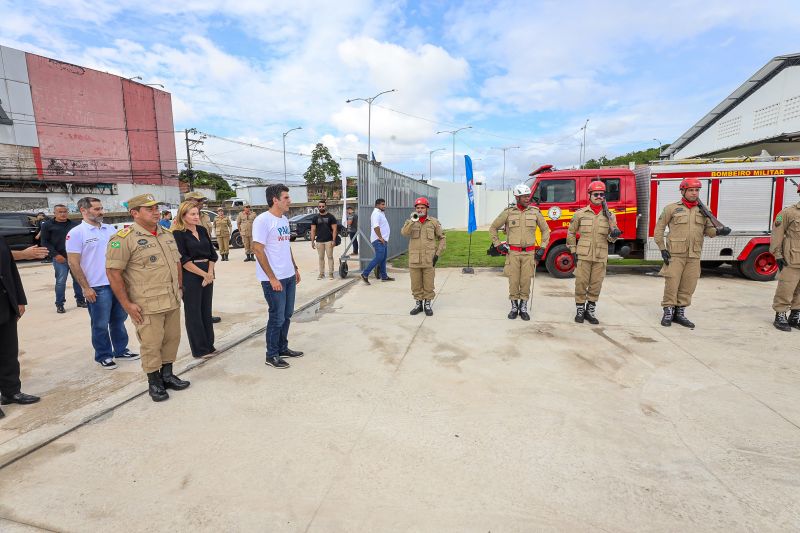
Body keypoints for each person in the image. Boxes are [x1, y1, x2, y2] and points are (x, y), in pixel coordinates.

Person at [106, 194, 189, 402]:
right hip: (147, 304)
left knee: (172, 339)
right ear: (134, 213)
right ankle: (154, 382)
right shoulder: (124, 239)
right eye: (149, 209)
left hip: (171, 298)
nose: (156, 212)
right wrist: (127, 304)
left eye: (156, 208)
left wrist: (179, 287)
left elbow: (177, 262)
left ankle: (167, 375)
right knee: (151, 344)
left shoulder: (166, 233)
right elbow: (113, 273)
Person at [66, 197, 139, 369]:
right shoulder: (76, 233)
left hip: (116, 283)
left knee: (119, 320)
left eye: (101, 208)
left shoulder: (110, 229)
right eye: (97, 209)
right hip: (97, 286)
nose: (101, 212)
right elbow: (73, 263)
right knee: (100, 324)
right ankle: (103, 355)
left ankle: (121, 350)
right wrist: (86, 288)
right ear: (83, 210)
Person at [654, 178, 731, 328]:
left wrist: (719, 232)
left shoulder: (704, 211)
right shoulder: (671, 208)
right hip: (675, 254)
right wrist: (662, 249)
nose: (694, 193)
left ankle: (680, 313)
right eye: (690, 190)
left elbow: (709, 230)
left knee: (689, 285)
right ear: (683, 191)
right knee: (672, 283)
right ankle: (668, 311)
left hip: (694, 255)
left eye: (697, 190)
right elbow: (659, 229)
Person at [252, 184, 303, 369]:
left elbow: (286, 246)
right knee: (277, 317)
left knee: (287, 315)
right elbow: (258, 250)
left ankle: (282, 348)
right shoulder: (262, 220)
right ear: (275, 200)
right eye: (286, 198)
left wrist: (294, 268)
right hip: (273, 279)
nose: (289, 201)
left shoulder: (284, 219)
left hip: (288, 275)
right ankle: (271, 355)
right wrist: (272, 278)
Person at [489, 183, 551, 321]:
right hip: (513, 254)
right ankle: (514, 307)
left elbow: (546, 230)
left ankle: (523, 307)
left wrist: (542, 247)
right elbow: (493, 228)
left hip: (529, 254)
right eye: (524, 196)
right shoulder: (508, 212)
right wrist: (498, 245)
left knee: (526, 281)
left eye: (528, 196)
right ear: (517, 197)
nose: (527, 198)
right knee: (513, 281)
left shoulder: (535, 212)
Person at [0, 240, 46, 418]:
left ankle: (11, 392)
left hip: (5, 304)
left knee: (9, 352)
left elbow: (11, 269)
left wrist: (19, 299)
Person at [566, 181, 622, 324]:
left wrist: (614, 235)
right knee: (581, 283)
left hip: (600, 255)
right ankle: (580, 310)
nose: (599, 197)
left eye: (602, 194)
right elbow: (571, 233)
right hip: (583, 255)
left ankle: (590, 311)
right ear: (589, 195)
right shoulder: (580, 214)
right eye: (596, 194)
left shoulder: (610, 216)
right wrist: (573, 250)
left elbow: (611, 238)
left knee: (596, 284)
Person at [172, 201, 218, 358]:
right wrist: (204, 274)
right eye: (192, 214)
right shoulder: (178, 234)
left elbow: (212, 254)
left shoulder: (202, 230)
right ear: (183, 215)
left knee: (206, 310)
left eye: (197, 214)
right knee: (194, 313)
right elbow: (183, 259)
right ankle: (200, 349)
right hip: (191, 275)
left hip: (208, 272)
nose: (196, 217)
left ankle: (209, 345)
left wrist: (209, 273)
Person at [400, 197, 446, 316]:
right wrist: (412, 221)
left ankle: (427, 304)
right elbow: (404, 233)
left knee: (429, 283)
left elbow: (442, 238)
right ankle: (418, 304)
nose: (420, 210)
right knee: (415, 284)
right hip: (414, 260)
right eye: (418, 208)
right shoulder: (410, 221)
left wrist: (437, 254)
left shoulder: (433, 222)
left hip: (429, 259)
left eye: (422, 207)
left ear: (427, 209)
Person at [40, 204, 86, 313]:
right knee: (61, 282)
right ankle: (59, 304)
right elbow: (44, 242)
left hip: (75, 258)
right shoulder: (47, 225)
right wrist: (56, 255)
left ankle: (80, 300)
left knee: (78, 280)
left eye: (65, 211)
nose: (63, 214)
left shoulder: (75, 225)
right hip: (60, 258)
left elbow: (81, 239)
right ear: (54, 213)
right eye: (60, 212)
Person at [184, 192, 222, 323]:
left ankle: (207, 315)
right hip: (191, 268)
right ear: (189, 200)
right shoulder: (181, 219)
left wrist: (209, 272)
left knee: (206, 299)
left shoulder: (204, 215)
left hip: (206, 259)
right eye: (198, 200)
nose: (201, 203)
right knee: (194, 305)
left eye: (202, 200)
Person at [770, 181, 800, 331]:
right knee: (786, 287)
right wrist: (777, 254)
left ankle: (795, 315)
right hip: (792, 258)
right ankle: (780, 314)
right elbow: (777, 234)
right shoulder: (788, 213)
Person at [360, 198, 395, 284]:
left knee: (383, 259)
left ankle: (384, 276)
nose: (384, 206)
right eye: (382, 204)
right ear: (377, 205)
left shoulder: (380, 213)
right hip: (379, 240)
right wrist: (380, 237)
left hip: (383, 240)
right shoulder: (376, 213)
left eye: (384, 204)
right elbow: (376, 227)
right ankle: (365, 274)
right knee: (379, 257)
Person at [310, 199, 339, 280]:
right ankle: (321, 274)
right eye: (320, 206)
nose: (321, 208)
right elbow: (313, 230)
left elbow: (334, 229)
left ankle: (331, 273)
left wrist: (334, 240)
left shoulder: (331, 217)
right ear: (318, 207)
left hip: (329, 240)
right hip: (319, 241)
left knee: (330, 257)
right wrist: (312, 241)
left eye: (323, 206)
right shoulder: (315, 218)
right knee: (321, 258)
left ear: (326, 207)